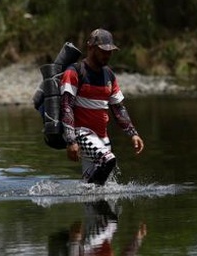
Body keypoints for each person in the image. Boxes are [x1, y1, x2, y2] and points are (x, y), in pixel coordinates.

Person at [60, 29, 145, 185]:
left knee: (98, 184)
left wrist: (133, 133)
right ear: (90, 48)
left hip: (102, 137)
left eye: (110, 51)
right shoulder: (74, 72)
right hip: (81, 133)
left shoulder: (109, 75)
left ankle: (92, 202)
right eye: (103, 51)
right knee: (107, 160)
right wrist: (71, 141)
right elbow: (66, 106)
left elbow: (118, 108)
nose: (107, 55)